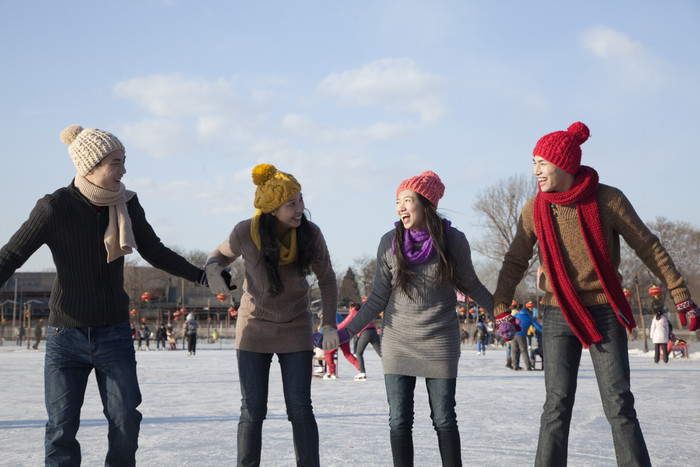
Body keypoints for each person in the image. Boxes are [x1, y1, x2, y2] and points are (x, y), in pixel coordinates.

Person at [0, 124, 215, 466]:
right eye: (116, 162)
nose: (124, 169)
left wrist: (204, 276)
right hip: (65, 335)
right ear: (91, 166)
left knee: (126, 421)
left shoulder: (127, 204)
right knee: (61, 429)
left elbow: (156, 252)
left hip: (113, 333)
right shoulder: (54, 207)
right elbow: (10, 256)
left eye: (124, 160)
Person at [493, 122, 698, 467]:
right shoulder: (535, 209)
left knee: (618, 403)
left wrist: (679, 291)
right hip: (557, 313)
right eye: (533, 162)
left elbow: (648, 246)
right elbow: (515, 260)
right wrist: (500, 306)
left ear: (565, 164)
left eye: (542, 162)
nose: (536, 171)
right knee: (556, 405)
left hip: (604, 309)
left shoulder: (608, 199)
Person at [337, 171, 494, 466]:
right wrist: (345, 333)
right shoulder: (389, 241)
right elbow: (377, 298)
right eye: (398, 201)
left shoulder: (453, 241)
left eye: (407, 200)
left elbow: (472, 285)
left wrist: (500, 314)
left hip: (440, 341)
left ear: (426, 204)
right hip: (398, 342)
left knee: (444, 419)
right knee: (399, 420)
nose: (401, 207)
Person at [205, 163, 338, 467]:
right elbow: (219, 255)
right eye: (291, 203)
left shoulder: (310, 234)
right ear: (272, 208)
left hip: (296, 327)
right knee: (252, 409)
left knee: (300, 408)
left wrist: (328, 323)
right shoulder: (244, 232)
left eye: (301, 200)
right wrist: (213, 269)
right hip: (254, 329)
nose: (299, 208)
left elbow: (328, 279)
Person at [340, 301, 381, 381]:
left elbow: (345, 323)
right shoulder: (363, 311)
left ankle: (362, 373)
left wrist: (335, 328)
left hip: (365, 332)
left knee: (358, 353)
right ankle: (395, 367)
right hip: (373, 330)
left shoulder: (353, 312)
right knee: (381, 353)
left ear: (351, 307)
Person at [323, 309, 361, 380]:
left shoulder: (329, 316)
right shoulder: (338, 315)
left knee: (328, 353)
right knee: (348, 354)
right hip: (345, 336)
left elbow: (328, 327)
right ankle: (361, 369)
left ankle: (332, 373)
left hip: (336, 336)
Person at [510, 304, 542, 371]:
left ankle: (515, 367)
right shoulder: (529, 318)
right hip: (521, 335)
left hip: (512, 335)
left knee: (514, 351)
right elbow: (538, 327)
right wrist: (544, 332)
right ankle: (528, 367)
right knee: (524, 351)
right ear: (528, 312)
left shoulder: (515, 316)